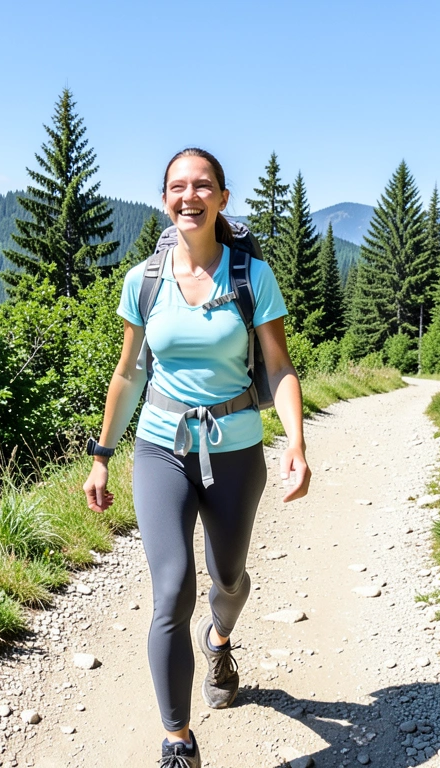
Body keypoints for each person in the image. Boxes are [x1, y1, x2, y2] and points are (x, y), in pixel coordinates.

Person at [82, 147, 312, 767]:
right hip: (161, 448)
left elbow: (280, 365)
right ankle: (177, 740)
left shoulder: (250, 277)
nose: (190, 196)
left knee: (228, 578)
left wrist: (295, 441)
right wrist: (101, 454)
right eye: (178, 187)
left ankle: (221, 639)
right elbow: (128, 373)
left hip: (236, 450)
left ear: (222, 199)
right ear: (165, 200)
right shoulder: (144, 281)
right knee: (172, 591)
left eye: (203, 186)